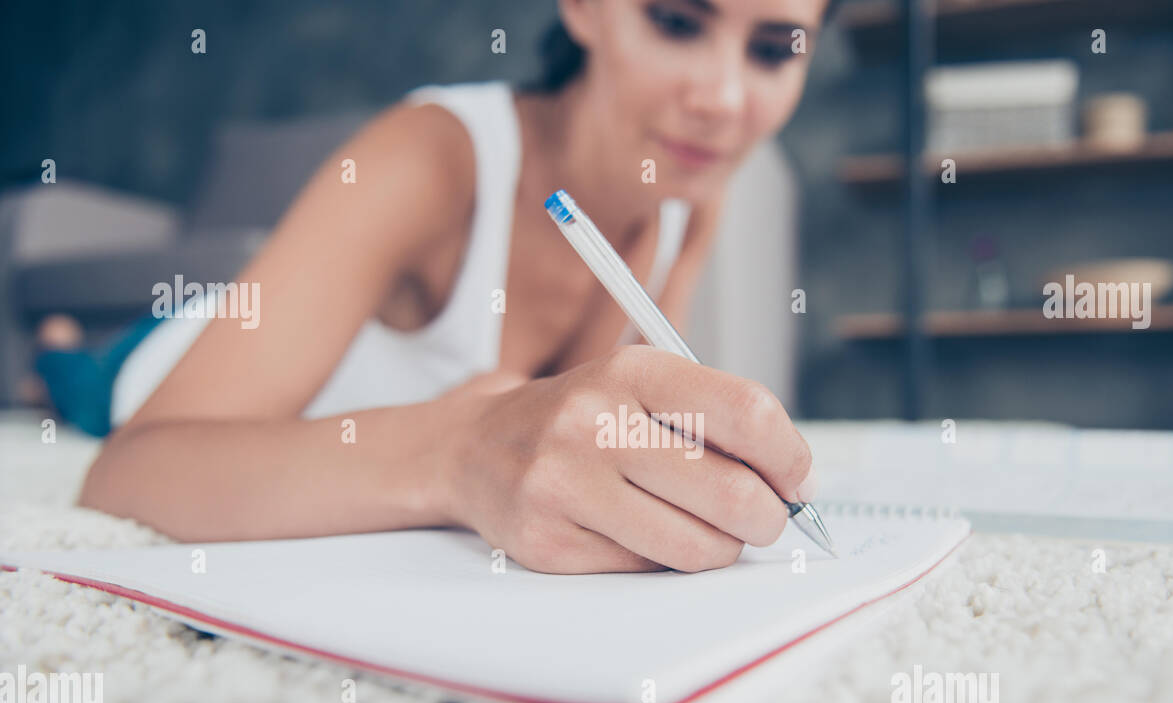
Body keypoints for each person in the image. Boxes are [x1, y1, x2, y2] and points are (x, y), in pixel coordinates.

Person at [37, 0, 840, 573]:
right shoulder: (433, 156)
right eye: (674, 21)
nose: (723, 100)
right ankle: (61, 346)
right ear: (585, 9)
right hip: (165, 356)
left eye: (774, 49)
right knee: (82, 382)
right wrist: (459, 445)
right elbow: (128, 473)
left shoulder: (690, 202)